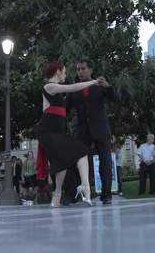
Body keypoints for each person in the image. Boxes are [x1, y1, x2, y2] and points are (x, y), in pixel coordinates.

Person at [36, 60, 103, 207]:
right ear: (58, 71)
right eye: (65, 71)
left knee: (62, 163)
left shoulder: (56, 90)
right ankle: (85, 188)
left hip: (56, 131)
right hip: (48, 132)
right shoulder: (50, 86)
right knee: (81, 151)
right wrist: (92, 82)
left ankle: (57, 196)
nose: (66, 74)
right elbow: (73, 87)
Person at [65, 59, 116, 205]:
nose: (80, 72)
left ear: (90, 70)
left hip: (101, 130)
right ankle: (72, 194)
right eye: (78, 69)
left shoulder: (99, 85)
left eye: (83, 69)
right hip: (82, 131)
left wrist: (108, 87)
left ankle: (106, 195)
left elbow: (114, 98)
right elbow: (64, 109)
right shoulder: (74, 88)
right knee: (74, 161)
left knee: (105, 162)